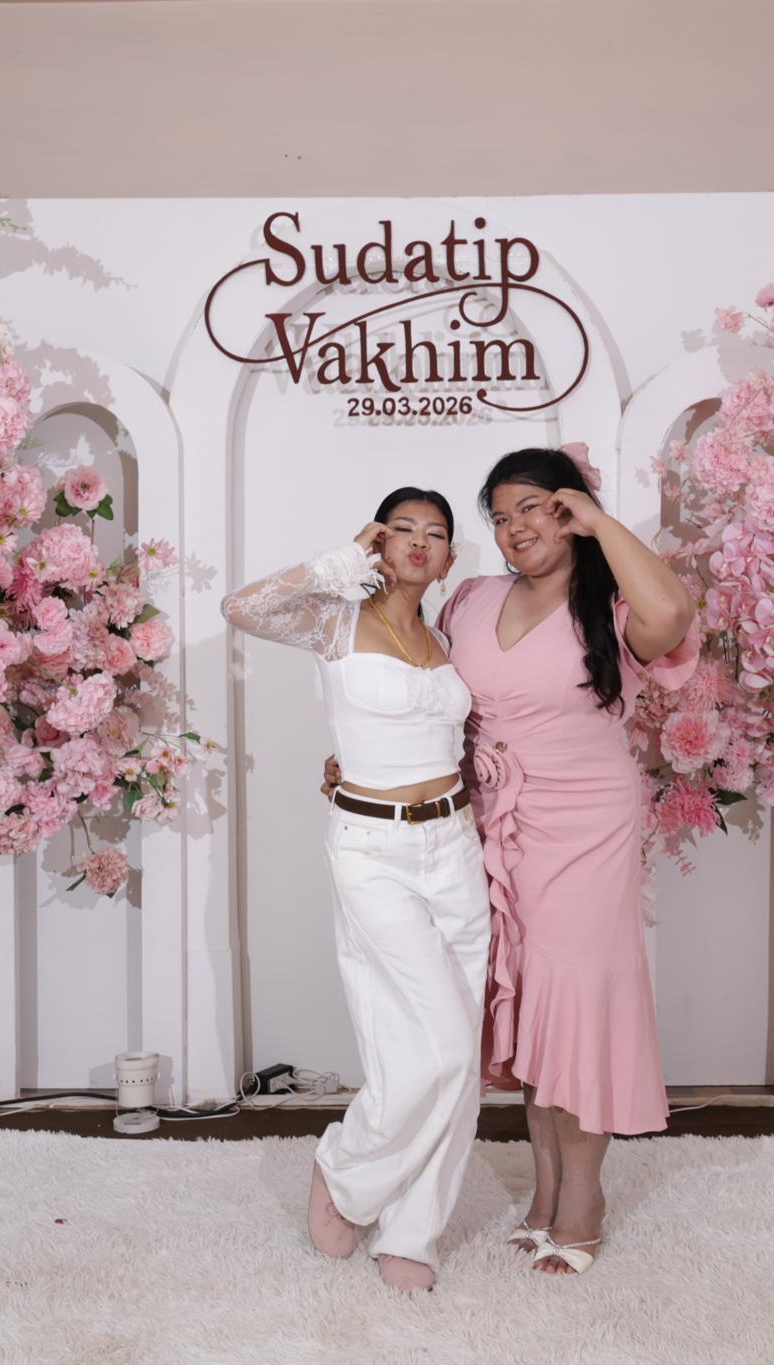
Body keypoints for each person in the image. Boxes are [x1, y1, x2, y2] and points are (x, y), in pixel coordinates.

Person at [324, 447, 697, 1276]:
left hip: (584, 828)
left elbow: (672, 612)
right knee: (528, 1008)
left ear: (570, 509)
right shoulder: (472, 598)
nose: (514, 526)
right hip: (488, 826)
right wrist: (365, 762)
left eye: (532, 507)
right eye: (499, 515)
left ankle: (583, 1199)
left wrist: (598, 521)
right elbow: (428, 697)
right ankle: (545, 1191)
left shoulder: (611, 602)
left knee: (575, 1004)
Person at [219, 488, 488, 1294]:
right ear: (376, 540)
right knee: (439, 1044)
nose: (418, 541)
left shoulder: (447, 638)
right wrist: (339, 561)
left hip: (455, 844)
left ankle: (414, 1230)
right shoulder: (334, 620)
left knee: (455, 1050)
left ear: (448, 558)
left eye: (434, 533)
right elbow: (241, 607)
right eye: (401, 528)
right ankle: (344, 1170)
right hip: (373, 847)